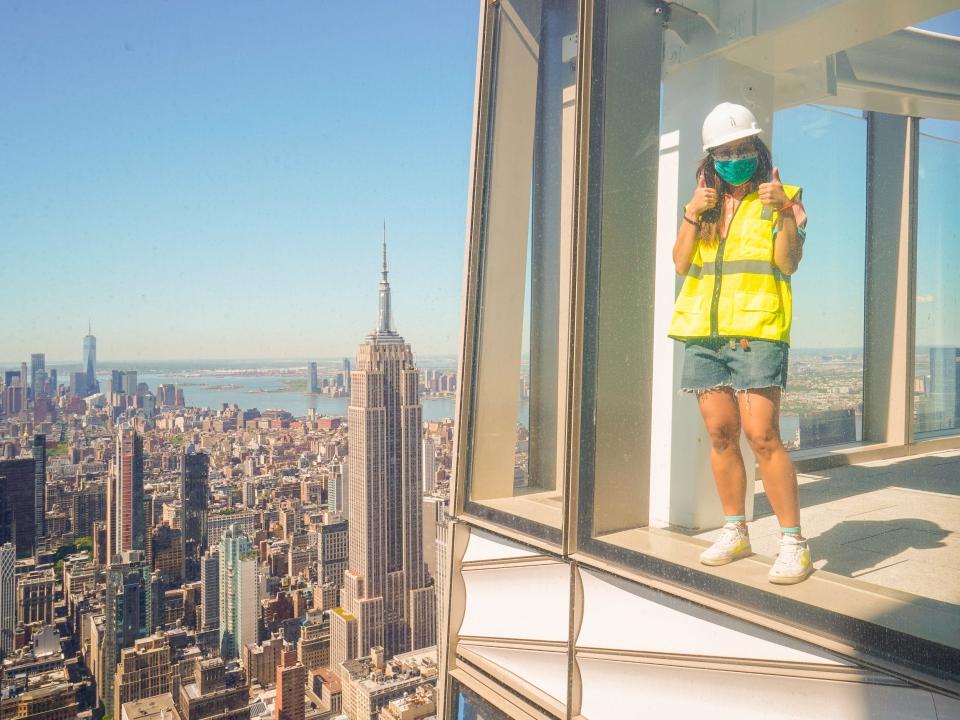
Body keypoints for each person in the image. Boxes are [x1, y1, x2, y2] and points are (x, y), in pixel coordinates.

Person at [668, 102, 811, 584]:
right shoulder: (703, 206)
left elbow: (788, 264)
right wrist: (691, 213)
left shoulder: (784, 198)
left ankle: (793, 542)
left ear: (757, 149)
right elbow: (681, 263)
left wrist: (786, 213)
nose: (735, 157)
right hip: (705, 336)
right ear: (711, 158)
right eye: (725, 151)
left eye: (743, 148)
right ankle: (736, 530)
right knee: (721, 435)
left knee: (762, 436)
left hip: (758, 333)